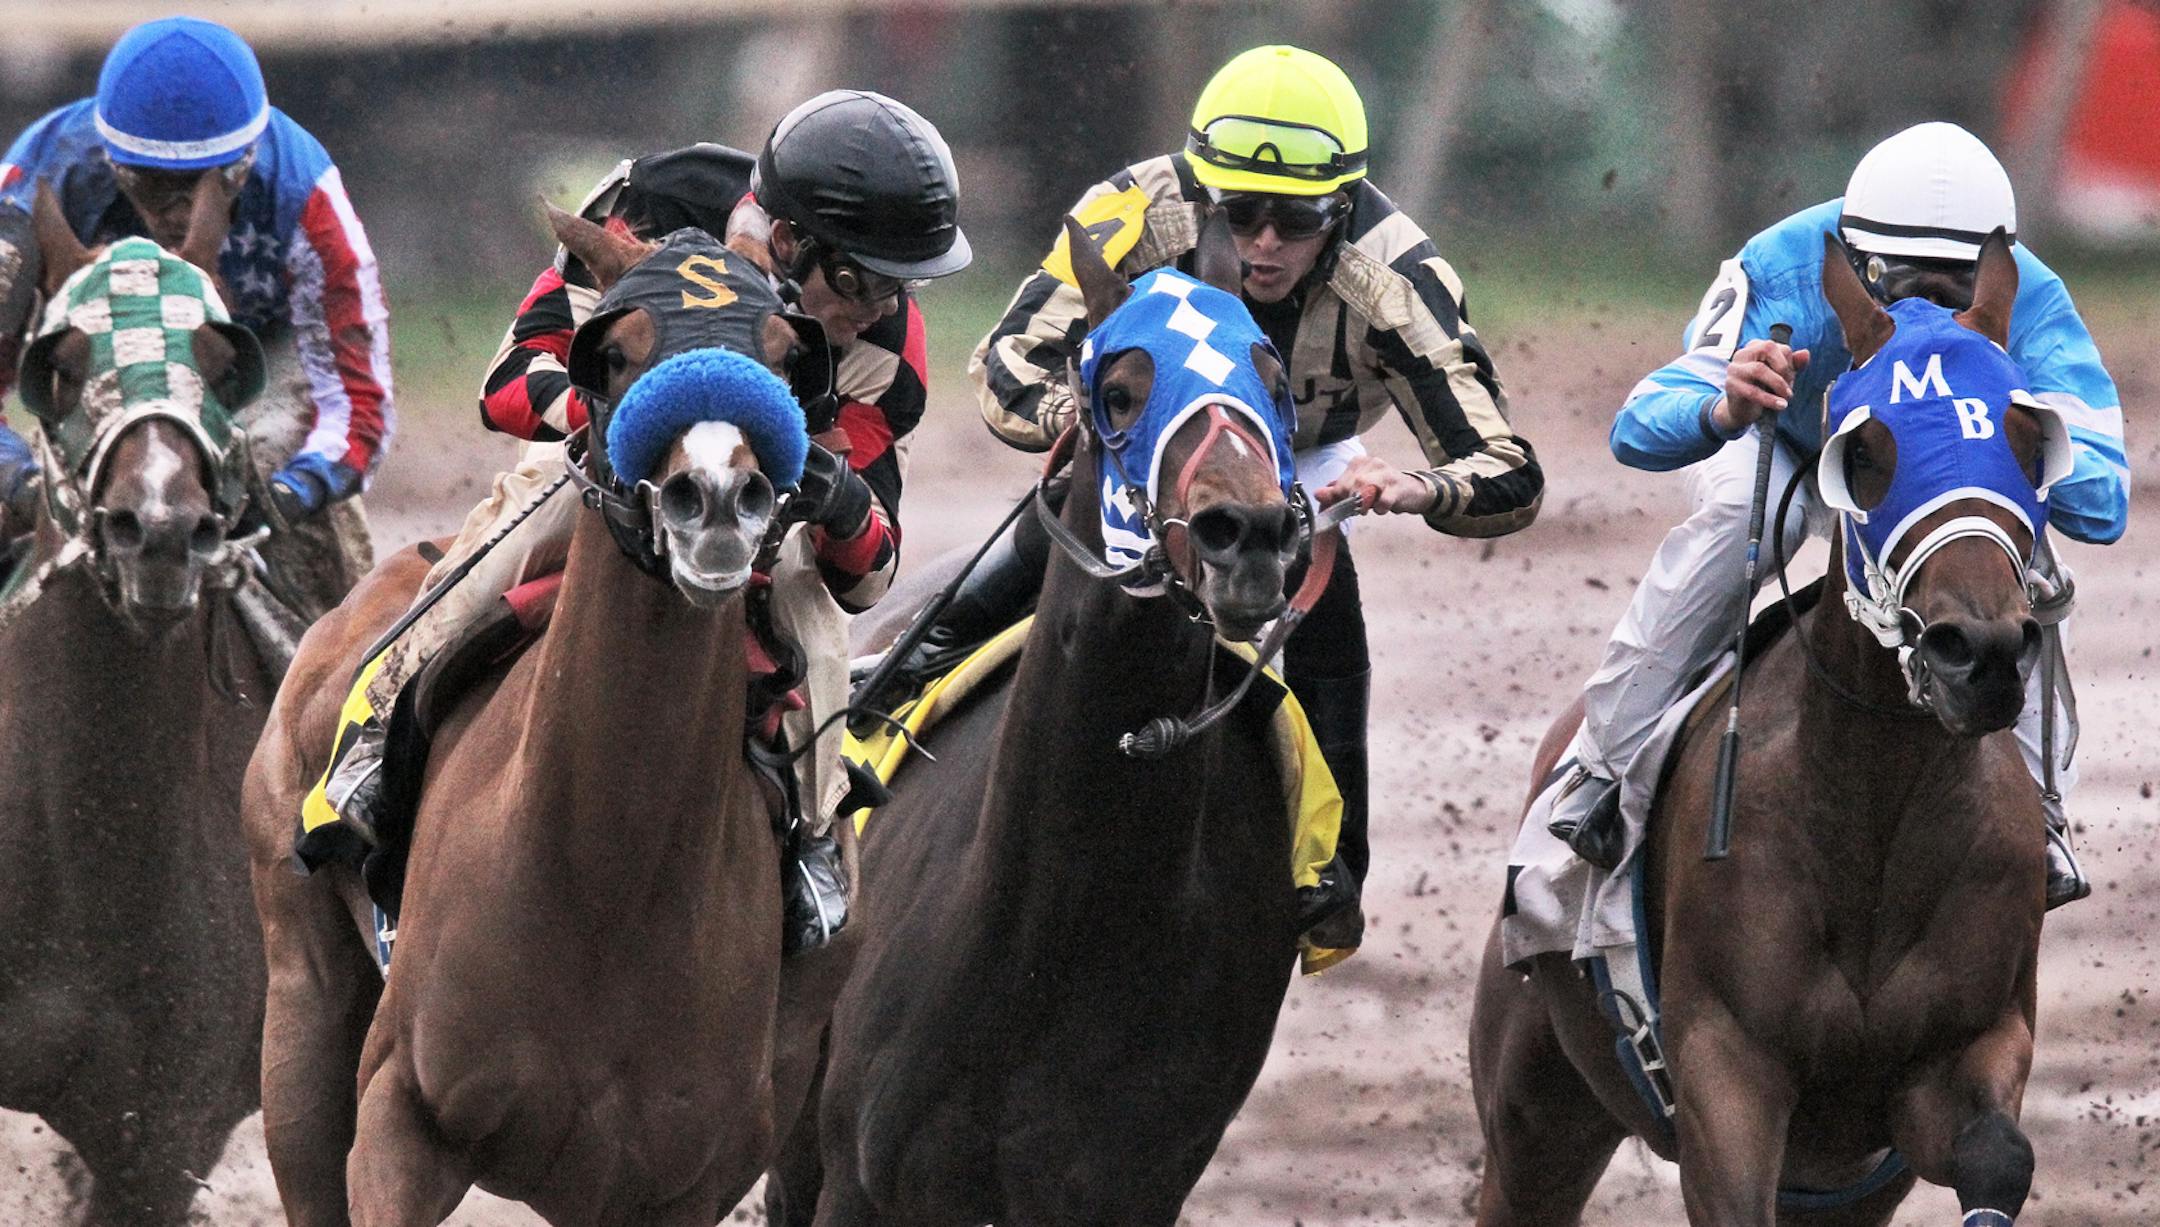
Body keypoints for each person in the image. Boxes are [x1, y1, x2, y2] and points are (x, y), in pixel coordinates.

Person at [304, 91, 969, 955]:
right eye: (862, 279)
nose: (882, 308)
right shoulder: (650, 202)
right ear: (790, 239)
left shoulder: (891, 347)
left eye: (902, 282)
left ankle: (812, 832)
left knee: (815, 618)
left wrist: (835, 493)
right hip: (608, 466)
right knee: (502, 542)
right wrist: (625, 417)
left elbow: (870, 572)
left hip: (763, 508)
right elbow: (508, 379)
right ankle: (375, 741)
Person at [933, 45, 1544, 950]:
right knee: (1056, 522)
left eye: (1296, 221)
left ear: (1344, 208)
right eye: (1241, 212)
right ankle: (906, 677)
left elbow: (1510, 468)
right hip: (1145, 439)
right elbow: (1007, 361)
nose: (1263, 243)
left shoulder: (1397, 278)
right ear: (1200, 189)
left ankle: (1335, 863)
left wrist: (1417, 485)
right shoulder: (1130, 210)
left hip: (1295, 455)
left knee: (1325, 608)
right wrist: (1096, 422)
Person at [1540, 121, 2128, 910]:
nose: (1925, 313)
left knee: (2022, 560)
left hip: (1929, 482)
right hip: (1788, 445)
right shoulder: (1783, 268)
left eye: (1954, 292)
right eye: (1901, 286)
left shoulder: (2033, 300)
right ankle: (1602, 764)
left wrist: (2021, 429)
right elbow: (1639, 424)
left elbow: (2100, 503)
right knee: (1752, 523)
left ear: (1995, 274)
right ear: (1855, 263)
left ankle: (2039, 810)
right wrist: (1724, 404)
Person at [0, 16, 391, 601]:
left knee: (309, 533)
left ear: (249, 157)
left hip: (256, 368)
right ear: (110, 160)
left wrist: (288, 495)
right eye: (150, 183)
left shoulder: (305, 193)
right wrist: (23, 484)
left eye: (215, 180)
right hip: (94, 371)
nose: (180, 212)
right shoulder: (32, 184)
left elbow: (359, 402)